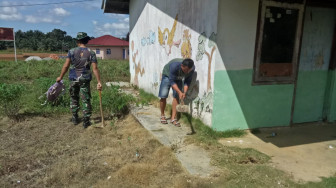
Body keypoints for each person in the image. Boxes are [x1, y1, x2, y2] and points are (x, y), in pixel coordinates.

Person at [56, 32, 102, 128]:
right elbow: (95, 68)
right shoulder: (91, 52)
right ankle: (86, 120)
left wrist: (60, 77)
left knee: (74, 97)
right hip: (84, 79)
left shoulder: (71, 51)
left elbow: (66, 65)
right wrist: (99, 82)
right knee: (85, 99)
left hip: (73, 78)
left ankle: (75, 117)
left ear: (78, 41)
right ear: (86, 41)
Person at [158, 58, 195, 127]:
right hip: (168, 74)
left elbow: (187, 81)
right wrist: (179, 91)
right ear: (182, 66)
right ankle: (162, 115)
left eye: (188, 71)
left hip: (179, 77)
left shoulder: (191, 69)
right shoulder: (174, 66)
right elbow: (172, 81)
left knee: (177, 96)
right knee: (163, 95)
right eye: (185, 70)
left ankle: (173, 118)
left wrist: (184, 92)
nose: (186, 72)